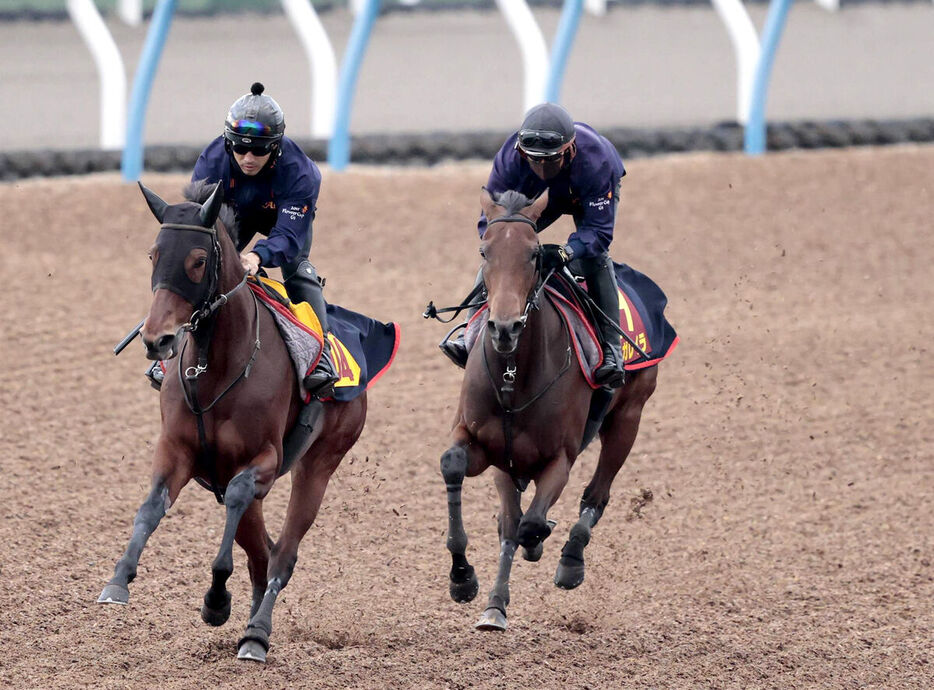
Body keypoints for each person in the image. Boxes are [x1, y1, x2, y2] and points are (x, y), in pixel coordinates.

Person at [146, 82, 339, 396]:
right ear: (227, 142)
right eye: (239, 147)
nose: (248, 157)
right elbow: (200, 227)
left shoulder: (302, 172)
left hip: (282, 218)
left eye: (260, 149)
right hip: (234, 213)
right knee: (199, 266)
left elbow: (288, 236)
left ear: (275, 146)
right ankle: (169, 346)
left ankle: (322, 356)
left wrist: (257, 256)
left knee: (299, 272)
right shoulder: (211, 163)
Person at [440, 102, 627, 388]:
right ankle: (470, 332)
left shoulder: (596, 162)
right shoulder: (510, 158)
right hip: (536, 197)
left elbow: (599, 232)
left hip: (583, 191)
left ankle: (612, 349)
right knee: (502, 251)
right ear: (521, 151)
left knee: (595, 257)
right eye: (534, 160)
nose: (541, 168)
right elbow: (489, 222)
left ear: (570, 150)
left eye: (549, 160)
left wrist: (567, 251)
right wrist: (507, 240)